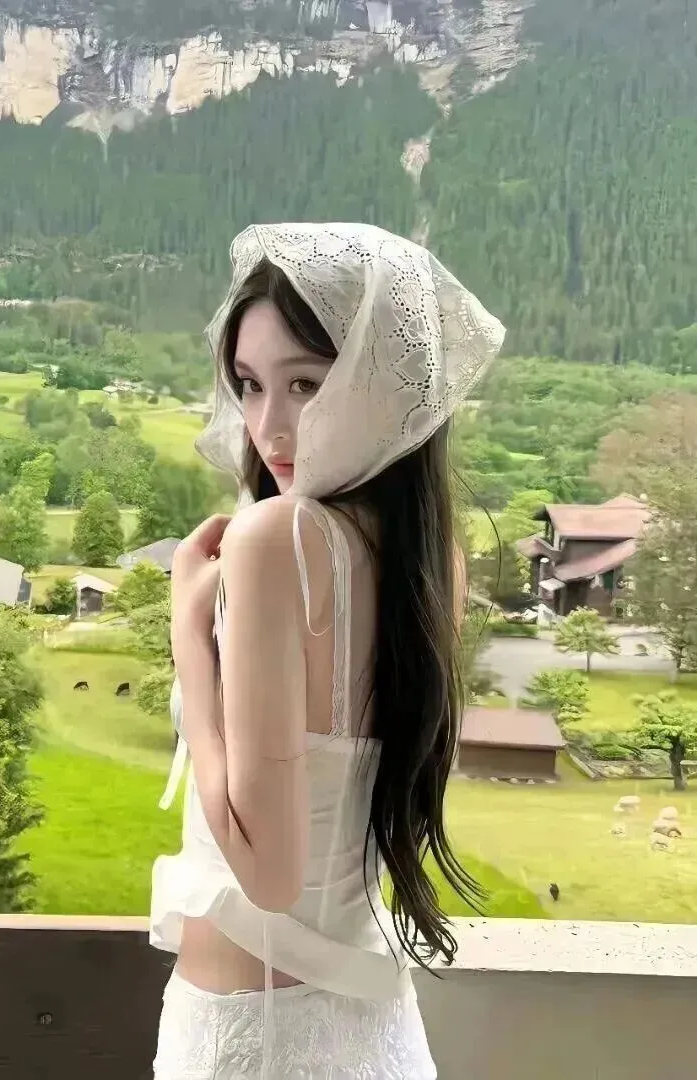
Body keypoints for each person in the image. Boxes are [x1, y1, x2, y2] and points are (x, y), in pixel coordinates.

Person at [149, 222, 505, 1079]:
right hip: (370, 1033)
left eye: (306, 384)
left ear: (377, 386)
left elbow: (270, 877)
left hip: (252, 1042)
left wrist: (188, 634)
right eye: (249, 384)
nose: (268, 426)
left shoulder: (277, 541)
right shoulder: (431, 562)